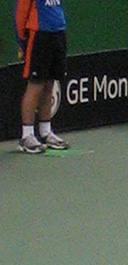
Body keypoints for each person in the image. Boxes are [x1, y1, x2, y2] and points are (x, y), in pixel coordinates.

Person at [15, 0, 70, 154]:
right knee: (35, 85)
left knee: (49, 84)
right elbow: (20, 13)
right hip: (39, 35)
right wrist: (21, 42)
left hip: (58, 33)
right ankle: (27, 136)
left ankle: (45, 132)